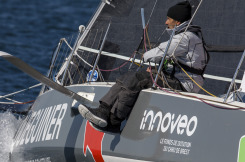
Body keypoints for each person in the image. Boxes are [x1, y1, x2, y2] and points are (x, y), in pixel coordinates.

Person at [78, 1, 209, 133]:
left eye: (169, 19)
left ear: (178, 22)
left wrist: (145, 56)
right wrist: (156, 70)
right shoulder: (186, 36)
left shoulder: (185, 38)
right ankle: (103, 110)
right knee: (127, 77)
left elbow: (160, 52)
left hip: (184, 85)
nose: (166, 22)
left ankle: (114, 121)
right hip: (177, 79)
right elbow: (176, 62)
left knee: (137, 79)